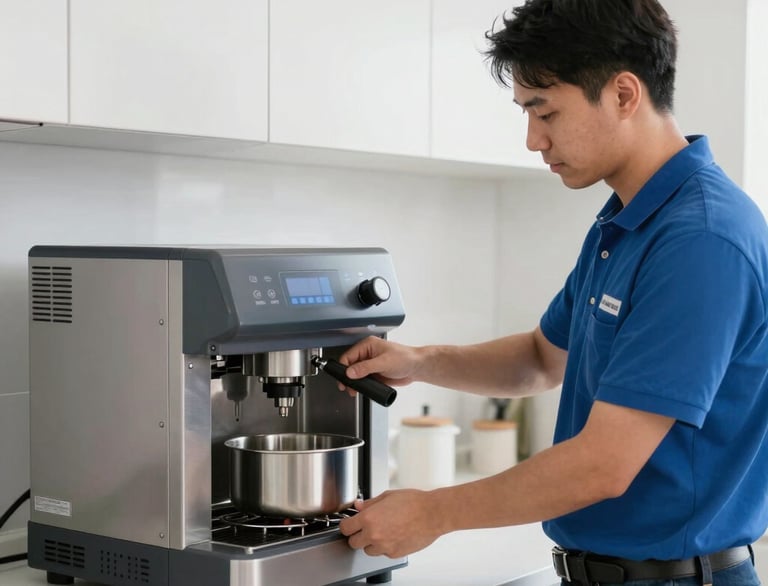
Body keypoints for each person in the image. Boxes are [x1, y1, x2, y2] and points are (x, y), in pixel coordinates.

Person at [336, 1, 768, 585]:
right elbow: (542, 359)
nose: (533, 139)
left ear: (623, 94)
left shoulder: (701, 240)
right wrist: (420, 361)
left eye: (546, 112)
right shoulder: (625, 222)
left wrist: (435, 512)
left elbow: (603, 466)